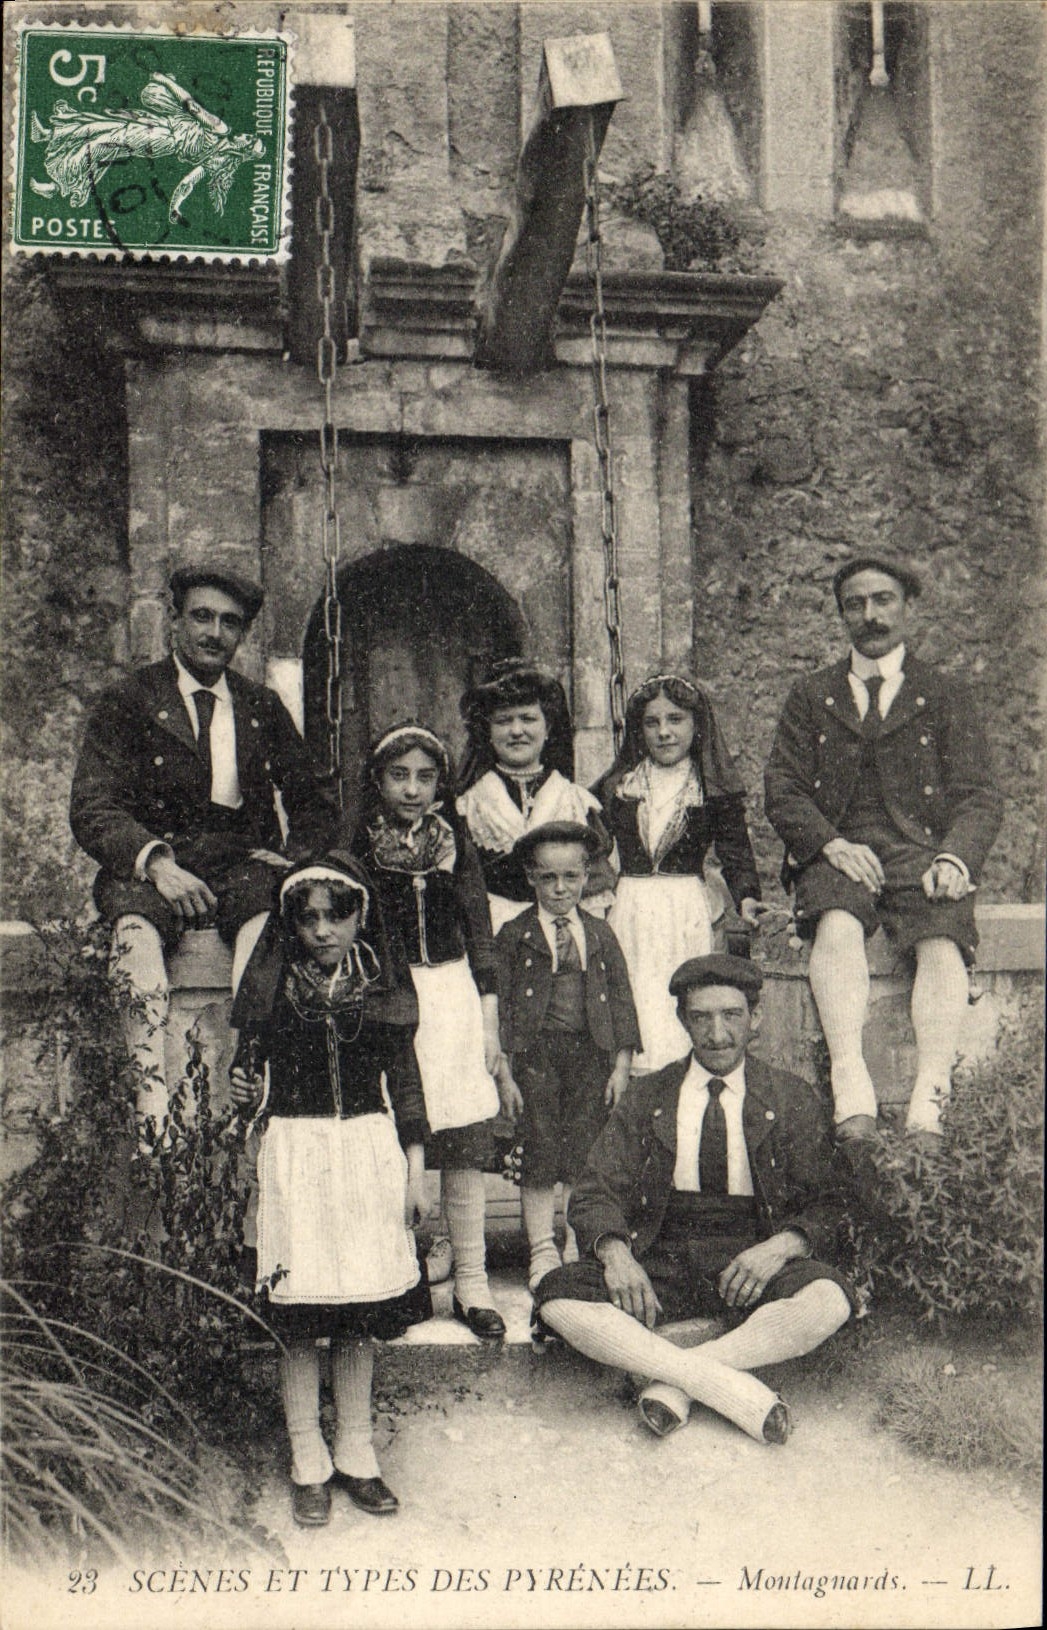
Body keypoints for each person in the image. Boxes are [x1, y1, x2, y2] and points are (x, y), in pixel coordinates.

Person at [533, 955, 855, 1445]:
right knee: (558, 1297)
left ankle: (675, 1382)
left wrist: (780, 1247)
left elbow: (831, 1200)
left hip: (750, 1253)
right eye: (701, 1017)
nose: (718, 1033)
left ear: (756, 1019)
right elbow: (596, 1189)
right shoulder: (648, 1096)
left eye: (732, 1015)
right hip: (663, 1249)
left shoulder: (790, 1098)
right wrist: (616, 1254)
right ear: (683, 1021)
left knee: (828, 1301)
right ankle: (721, 1385)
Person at [69, 566, 336, 1137]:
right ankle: (150, 1103)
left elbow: (313, 801)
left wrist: (291, 859)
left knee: (266, 923)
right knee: (135, 934)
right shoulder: (129, 702)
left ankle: (249, 1079)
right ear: (174, 621)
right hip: (152, 867)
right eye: (202, 616)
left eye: (230, 623)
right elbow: (93, 807)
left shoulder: (261, 706)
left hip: (241, 863)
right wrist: (157, 864)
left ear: (242, 636)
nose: (215, 633)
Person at [764, 554, 1003, 1142]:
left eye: (883, 600)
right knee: (838, 923)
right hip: (839, 853)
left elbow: (978, 794)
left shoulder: (945, 694)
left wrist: (954, 858)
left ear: (907, 606)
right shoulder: (812, 694)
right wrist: (827, 843)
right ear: (842, 614)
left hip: (918, 853)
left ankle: (930, 1098)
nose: (869, 615)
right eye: (855, 604)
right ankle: (853, 1088)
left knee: (942, 936)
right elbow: (784, 787)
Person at [229, 853, 430, 1527]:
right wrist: (243, 1095)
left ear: (360, 917)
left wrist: (415, 1167)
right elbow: (244, 1087)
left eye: (336, 915)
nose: (323, 930)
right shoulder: (271, 992)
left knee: (357, 1309)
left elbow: (405, 1086)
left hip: (367, 1153)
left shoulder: (381, 992)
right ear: (291, 925)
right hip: (297, 1154)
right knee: (301, 1311)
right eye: (308, 917)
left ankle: (357, 1452)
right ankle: (307, 1457)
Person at [349, 724, 507, 1340]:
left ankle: (471, 1280)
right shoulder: (361, 845)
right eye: (398, 776)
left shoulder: (452, 841)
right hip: (388, 996)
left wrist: (489, 1022)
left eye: (425, 777)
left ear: (441, 784)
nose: (412, 790)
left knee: (464, 1135)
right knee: (394, 1135)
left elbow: (477, 923)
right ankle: (402, 1279)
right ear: (378, 780)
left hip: (451, 993)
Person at [494, 822, 641, 1290]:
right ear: (531, 879)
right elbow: (500, 1002)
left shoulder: (599, 934)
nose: (561, 889)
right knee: (537, 1150)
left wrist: (621, 1065)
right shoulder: (515, 935)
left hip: (589, 1057)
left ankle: (579, 1243)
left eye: (571, 877)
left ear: (586, 876)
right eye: (548, 879)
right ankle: (541, 1247)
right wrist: (505, 1069)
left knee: (582, 1150)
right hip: (535, 1058)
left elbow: (621, 1001)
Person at [594, 674, 766, 1074]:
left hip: (685, 908)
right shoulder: (622, 785)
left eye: (675, 720)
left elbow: (735, 851)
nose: (664, 732)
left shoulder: (709, 787)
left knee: (680, 1001)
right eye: (652, 723)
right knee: (632, 995)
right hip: (630, 907)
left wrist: (746, 897)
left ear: (696, 725)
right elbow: (595, 843)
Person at [457, 658, 615, 933]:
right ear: (488, 732)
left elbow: (596, 888)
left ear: (548, 729)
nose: (517, 731)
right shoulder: (469, 806)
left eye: (528, 718)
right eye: (504, 721)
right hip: (494, 931)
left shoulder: (575, 803)